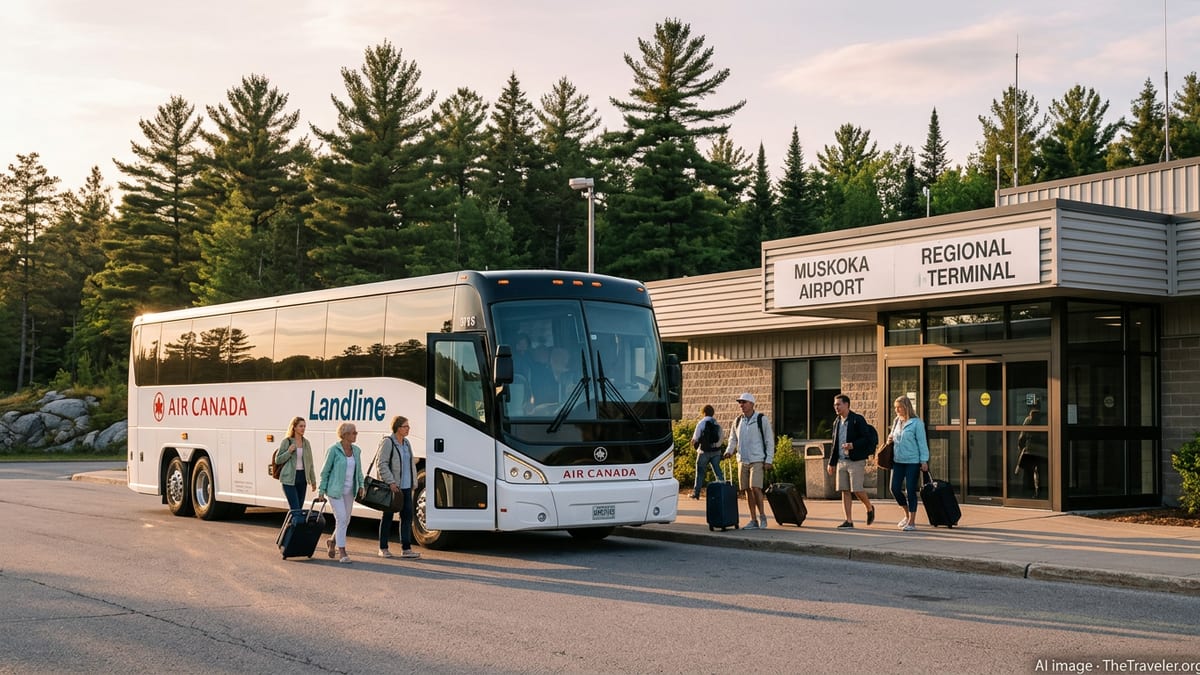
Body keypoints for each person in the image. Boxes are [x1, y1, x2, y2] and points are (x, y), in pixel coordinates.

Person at [724, 393, 774, 529]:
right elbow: (733, 439)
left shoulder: (761, 419)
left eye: (744, 402)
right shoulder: (738, 421)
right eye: (740, 403)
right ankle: (753, 519)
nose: (741, 405)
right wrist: (729, 450)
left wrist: (769, 459)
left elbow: (769, 440)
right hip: (742, 460)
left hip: (757, 459)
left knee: (756, 488)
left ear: (752, 404)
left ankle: (762, 516)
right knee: (746, 489)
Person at [318, 422, 365, 564]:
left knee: (346, 520)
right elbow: (325, 471)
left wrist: (361, 485)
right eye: (354, 433)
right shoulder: (333, 450)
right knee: (341, 518)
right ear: (345, 434)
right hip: (334, 491)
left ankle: (332, 541)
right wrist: (321, 490)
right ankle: (342, 551)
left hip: (349, 491)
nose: (356, 435)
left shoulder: (356, 450)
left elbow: (359, 471)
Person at [828, 394, 876, 528]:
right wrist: (831, 463)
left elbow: (866, 438)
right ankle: (848, 521)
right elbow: (835, 444)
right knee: (845, 490)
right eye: (835, 405)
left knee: (857, 490)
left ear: (847, 405)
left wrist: (852, 445)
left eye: (838, 404)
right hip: (841, 460)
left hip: (856, 460)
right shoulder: (836, 422)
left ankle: (869, 507)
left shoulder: (857, 419)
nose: (836, 407)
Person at [377, 415, 421, 559]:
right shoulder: (388, 442)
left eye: (408, 426)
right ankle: (383, 548)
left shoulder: (406, 443)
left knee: (407, 517)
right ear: (398, 427)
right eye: (405, 426)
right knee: (388, 516)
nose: (408, 429)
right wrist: (391, 482)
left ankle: (406, 549)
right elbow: (381, 464)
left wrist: (414, 482)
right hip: (393, 487)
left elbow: (410, 464)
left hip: (406, 487)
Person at [888, 396, 929, 531]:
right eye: (895, 407)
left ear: (906, 407)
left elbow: (922, 443)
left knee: (910, 490)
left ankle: (912, 522)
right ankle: (906, 514)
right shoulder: (896, 421)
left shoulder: (917, 423)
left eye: (899, 407)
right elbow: (892, 436)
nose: (897, 410)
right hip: (898, 461)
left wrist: (924, 460)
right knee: (894, 488)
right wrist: (890, 439)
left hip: (912, 461)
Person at [275, 416, 316, 519]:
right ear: (294, 428)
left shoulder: (306, 443)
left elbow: (310, 463)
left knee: (298, 509)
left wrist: (313, 481)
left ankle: (292, 530)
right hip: (289, 479)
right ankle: (293, 533)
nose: (303, 428)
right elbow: (278, 460)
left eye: (304, 426)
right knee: (296, 510)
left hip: (302, 478)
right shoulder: (287, 441)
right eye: (300, 426)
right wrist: (289, 451)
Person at [688, 404, 724, 500]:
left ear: (703, 413)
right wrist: (716, 446)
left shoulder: (701, 423)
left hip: (704, 451)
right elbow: (721, 437)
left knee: (700, 472)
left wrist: (694, 445)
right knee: (717, 471)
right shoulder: (716, 423)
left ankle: (696, 493)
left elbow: (695, 438)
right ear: (713, 413)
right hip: (716, 451)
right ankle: (723, 491)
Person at [1015, 406, 1044, 498]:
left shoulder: (1028, 420)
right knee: (1039, 471)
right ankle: (1038, 491)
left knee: (1028, 471)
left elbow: (1022, 436)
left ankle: (1028, 491)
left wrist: (1021, 447)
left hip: (1030, 449)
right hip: (1042, 450)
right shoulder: (1044, 420)